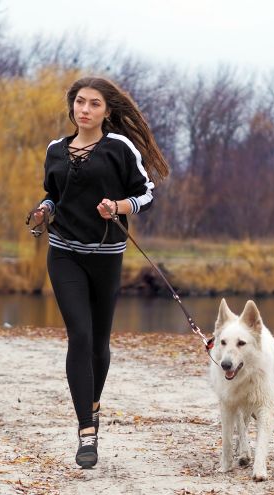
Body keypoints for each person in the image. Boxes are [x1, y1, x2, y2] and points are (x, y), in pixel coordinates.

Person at [29, 77, 170, 468]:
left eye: (93, 104)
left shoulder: (119, 148)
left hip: (107, 254)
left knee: (99, 343)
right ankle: (86, 433)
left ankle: (92, 406)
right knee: (80, 333)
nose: (85, 109)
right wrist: (44, 210)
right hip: (64, 253)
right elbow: (52, 193)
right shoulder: (56, 149)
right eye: (79, 102)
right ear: (72, 107)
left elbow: (146, 193)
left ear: (107, 111)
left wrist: (120, 206)